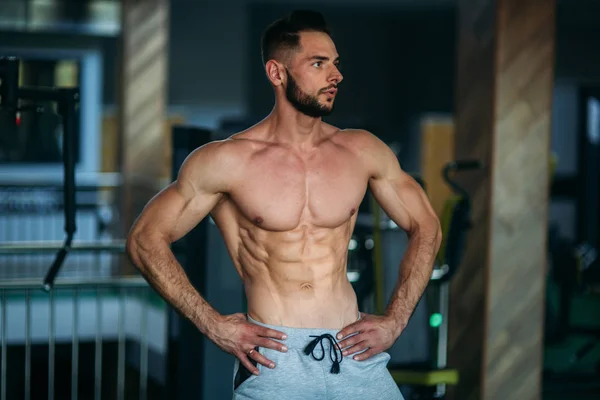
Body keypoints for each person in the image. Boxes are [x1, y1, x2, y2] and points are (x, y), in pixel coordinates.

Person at [126, 9, 441, 400]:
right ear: (277, 73)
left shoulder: (361, 150)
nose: (336, 76)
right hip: (275, 361)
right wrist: (213, 324)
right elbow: (145, 239)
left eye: (336, 64)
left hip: (355, 352)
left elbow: (427, 225)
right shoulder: (228, 161)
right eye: (318, 63)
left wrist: (395, 321)